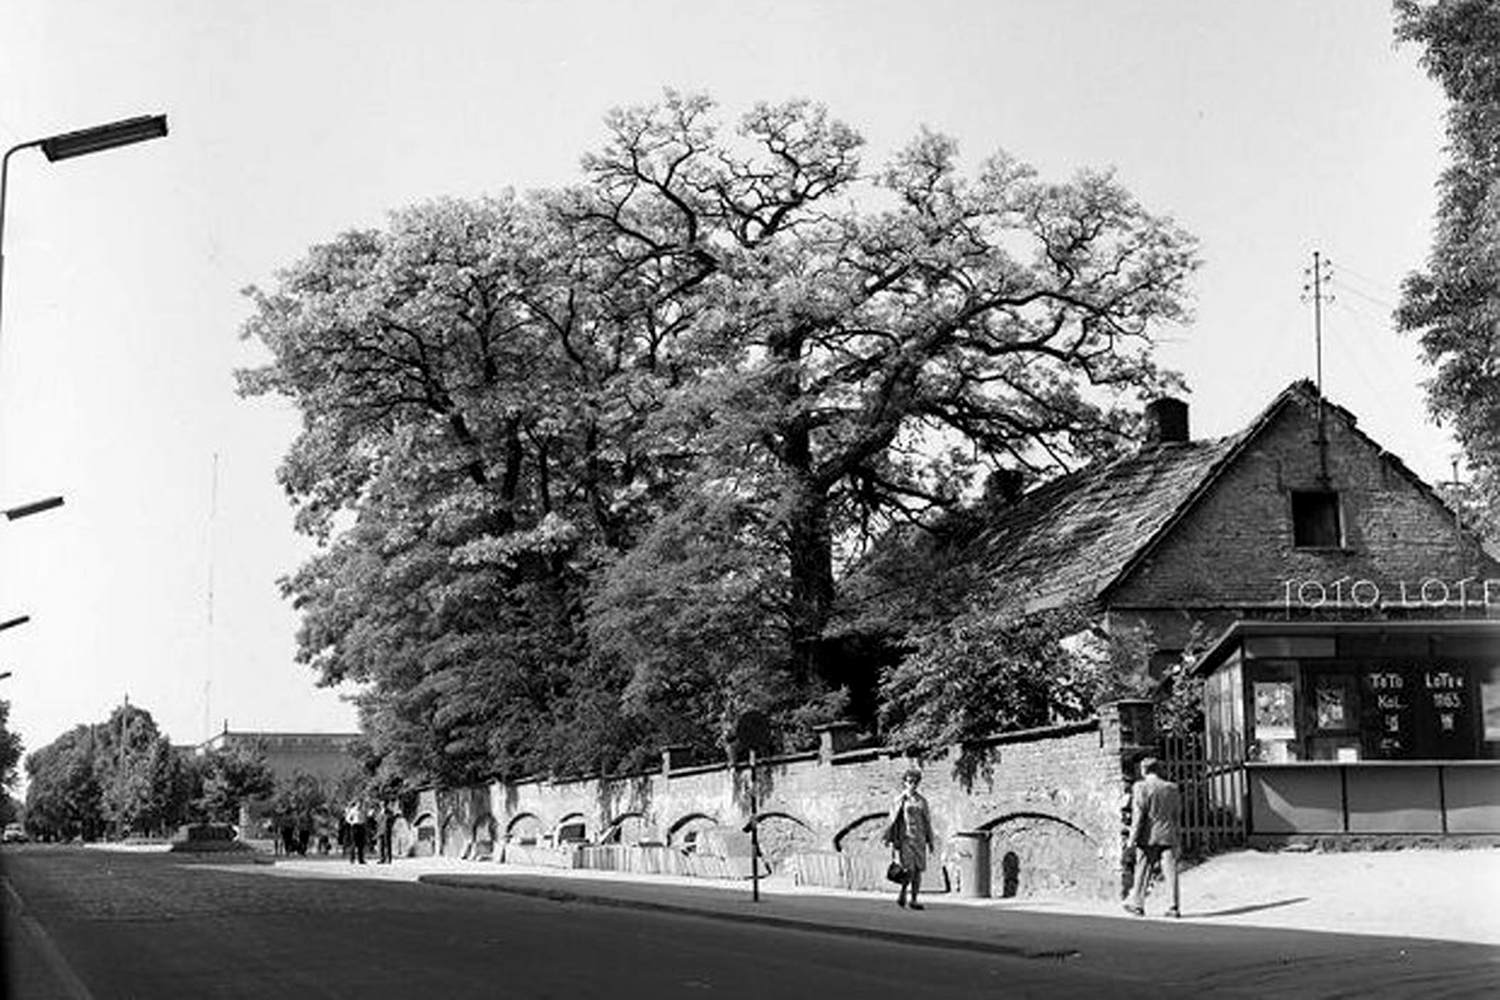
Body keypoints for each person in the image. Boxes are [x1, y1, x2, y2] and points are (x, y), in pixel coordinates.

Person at [1124, 756, 1182, 918]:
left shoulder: (1140, 786)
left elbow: (1139, 815)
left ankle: (1138, 904)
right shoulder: (1172, 788)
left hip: (1147, 836)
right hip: (1168, 834)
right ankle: (1174, 906)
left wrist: (1131, 840)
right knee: (1171, 872)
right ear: (1158, 770)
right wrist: (1178, 838)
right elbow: (1176, 816)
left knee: (1142, 870)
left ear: (1144, 770)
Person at [882, 768, 936, 910]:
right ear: (904, 782)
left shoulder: (922, 800)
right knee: (909, 869)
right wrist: (888, 837)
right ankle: (903, 893)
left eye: (915, 781)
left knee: (918, 870)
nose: (912, 784)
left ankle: (914, 899)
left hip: (919, 839)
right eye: (910, 781)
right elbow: (892, 819)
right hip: (905, 838)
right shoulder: (900, 799)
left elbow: (927, 821)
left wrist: (930, 841)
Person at [345, 799, 369, 864]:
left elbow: (365, 818)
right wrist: (351, 822)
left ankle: (361, 859)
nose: (360, 805)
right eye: (359, 804)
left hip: (361, 826)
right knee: (354, 843)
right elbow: (347, 819)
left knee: (361, 844)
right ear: (356, 804)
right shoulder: (353, 810)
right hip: (355, 826)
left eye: (361, 804)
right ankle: (352, 859)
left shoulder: (363, 811)